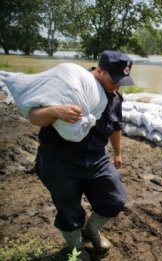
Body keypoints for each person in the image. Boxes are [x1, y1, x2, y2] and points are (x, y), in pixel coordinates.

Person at [29, 50, 134, 260]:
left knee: (115, 199)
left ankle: (91, 230)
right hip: (59, 160)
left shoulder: (116, 96)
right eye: (113, 81)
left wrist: (118, 153)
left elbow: (115, 126)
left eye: (121, 82)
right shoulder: (69, 87)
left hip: (96, 157)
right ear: (99, 71)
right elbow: (33, 116)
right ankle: (74, 246)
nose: (117, 87)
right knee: (69, 211)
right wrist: (55, 111)